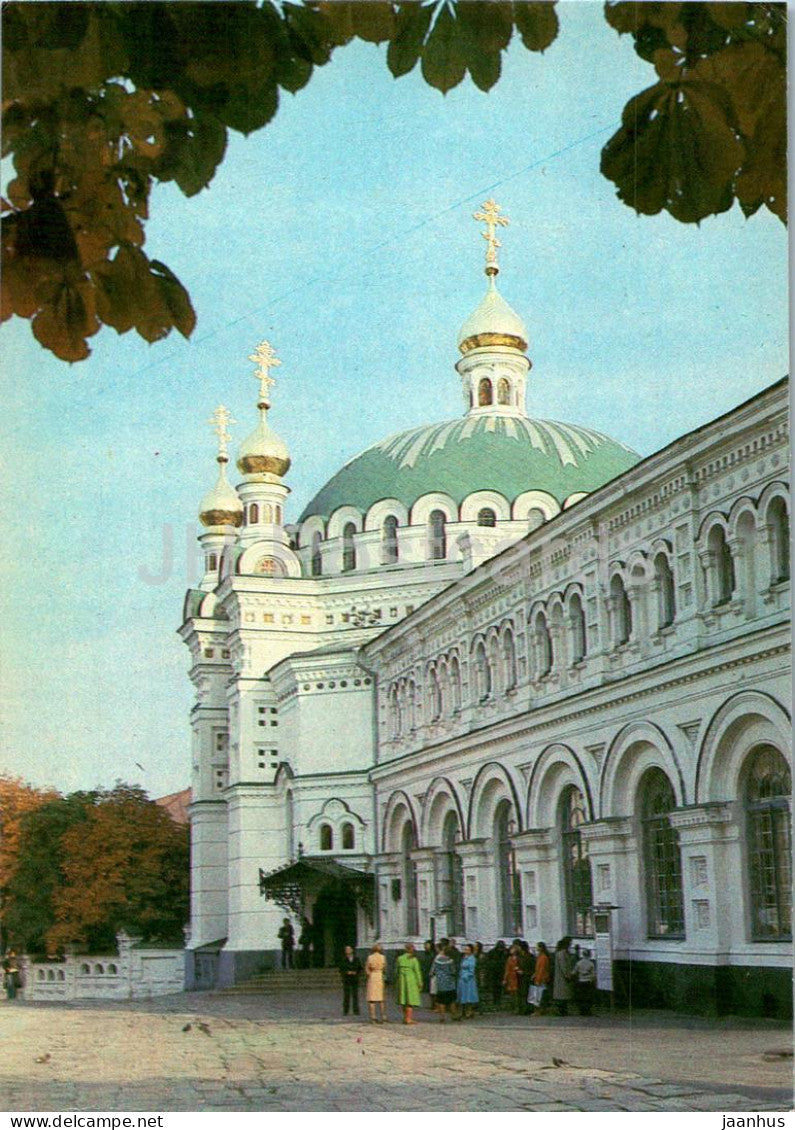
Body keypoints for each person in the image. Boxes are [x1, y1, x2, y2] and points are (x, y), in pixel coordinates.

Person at [395, 942, 423, 1025]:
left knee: (404, 999)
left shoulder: (400, 958)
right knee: (410, 1000)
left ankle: (405, 1017)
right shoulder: (413, 959)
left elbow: (396, 970)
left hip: (402, 980)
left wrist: (396, 979)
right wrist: (420, 982)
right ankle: (409, 1019)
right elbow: (417, 971)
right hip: (411, 980)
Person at [431, 943, 457, 1022]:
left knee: (441, 1001)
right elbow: (453, 971)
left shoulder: (437, 960)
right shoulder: (450, 961)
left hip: (440, 982)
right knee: (452, 1000)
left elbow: (433, 971)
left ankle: (442, 1017)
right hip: (449, 983)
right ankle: (454, 1015)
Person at [365, 942, 387, 1023]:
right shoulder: (383, 957)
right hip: (380, 976)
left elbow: (367, 968)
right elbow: (385, 968)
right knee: (381, 998)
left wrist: (369, 974)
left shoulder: (370, 957)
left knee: (372, 999)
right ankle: (383, 1016)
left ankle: (373, 1017)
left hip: (373, 976)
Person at [552, 935, 575, 1016]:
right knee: (563, 995)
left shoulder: (561, 952)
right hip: (562, 977)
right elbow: (563, 966)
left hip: (561, 977)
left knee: (563, 995)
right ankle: (562, 1011)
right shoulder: (562, 953)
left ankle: (562, 1010)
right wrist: (567, 975)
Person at [339, 944, 362, 1017]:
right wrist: (347, 972)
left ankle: (356, 1010)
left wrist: (356, 972)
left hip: (355, 979)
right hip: (347, 979)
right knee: (346, 995)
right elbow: (341, 969)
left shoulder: (356, 959)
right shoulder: (343, 959)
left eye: (349, 949)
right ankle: (345, 1010)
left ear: (352, 950)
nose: (348, 951)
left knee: (355, 995)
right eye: (346, 949)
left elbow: (359, 967)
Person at [528, 941, 551, 1014]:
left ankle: (538, 1011)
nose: (536, 947)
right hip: (540, 977)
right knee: (538, 995)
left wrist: (538, 979)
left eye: (537, 946)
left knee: (538, 995)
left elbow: (541, 969)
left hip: (541, 978)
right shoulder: (541, 956)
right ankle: (540, 1010)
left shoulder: (543, 957)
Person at [457, 944, 479, 1019]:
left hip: (468, 980)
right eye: (465, 949)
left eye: (467, 950)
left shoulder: (472, 959)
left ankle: (469, 1011)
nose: (466, 951)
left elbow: (471, 970)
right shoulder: (464, 958)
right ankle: (463, 1011)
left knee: (468, 996)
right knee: (462, 995)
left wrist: (466, 976)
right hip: (462, 978)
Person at [572, 948, 597, 1016]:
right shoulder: (591, 963)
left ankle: (581, 1010)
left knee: (581, 997)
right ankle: (588, 1010)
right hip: (588, 982)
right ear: (589, 954)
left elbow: (574, 972)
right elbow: (594, 974)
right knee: (588, 997)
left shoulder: (579, 963)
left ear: (583, 954)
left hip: (581, 981)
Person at [486, 940, 507, 1008]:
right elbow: (488, 961)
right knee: (495, 987)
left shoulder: (505, 952)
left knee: (500, 987)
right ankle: (496, 1001)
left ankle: (498, 1001)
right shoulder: (492, 952)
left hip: (502, 972)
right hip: (494, 972)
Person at [503, 944, 520, 1011]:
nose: (511, 950)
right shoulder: (509, 959)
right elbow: (507, 969)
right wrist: (505, 978)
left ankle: (517, 1007)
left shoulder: (519, 958)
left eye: (512, 949)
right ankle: (513, 1006)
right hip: (511, 977)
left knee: (516, 993)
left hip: (517, 976)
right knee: (512, 992)